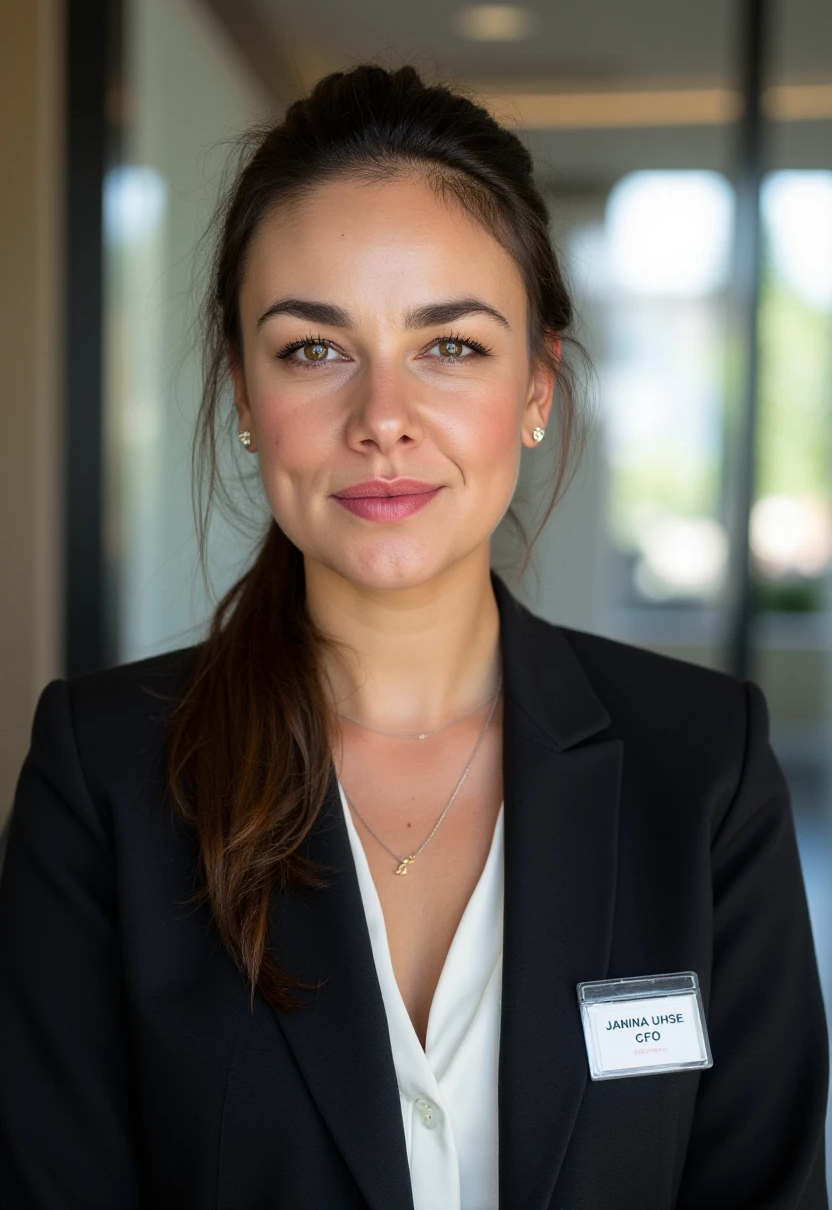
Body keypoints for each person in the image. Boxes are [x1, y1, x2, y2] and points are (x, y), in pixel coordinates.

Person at [0, 63, 827, 1210]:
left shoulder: (702, 767)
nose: (381, 415)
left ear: (537, 385)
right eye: (312, 349)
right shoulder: (103, 775)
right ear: (244, 393)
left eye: (450, 346)